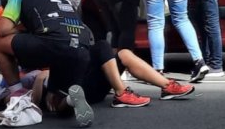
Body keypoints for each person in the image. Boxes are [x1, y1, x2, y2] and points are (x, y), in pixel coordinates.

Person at [0, 0, 95, 128]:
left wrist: (24, 29)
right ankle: (70, 99)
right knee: (58, 105)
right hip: (81, 49)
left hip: (53, 42)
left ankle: (19, 96)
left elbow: (3, 30)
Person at [28, 40, 194, 115]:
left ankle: (167, 86)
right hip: (57, 87)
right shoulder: (23, 48)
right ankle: (120, 94)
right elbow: (37, 80)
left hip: (81, 77)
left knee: (120, 52)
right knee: (101, 47)